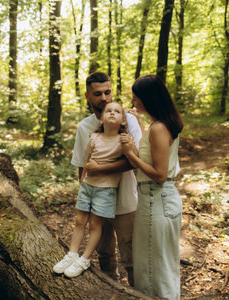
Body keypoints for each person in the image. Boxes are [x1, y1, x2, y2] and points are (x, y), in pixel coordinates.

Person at [69, 72, 142, 284]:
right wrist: (85, 197)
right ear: (87, 96)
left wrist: (101, 168)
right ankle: (111, 292)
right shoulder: (85, 127)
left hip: (126, 201)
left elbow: (137, 159)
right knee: (105, 255)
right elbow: (82, 165)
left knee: (132, 257)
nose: (104, 98)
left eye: (108, 92)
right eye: (98, 93)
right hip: (97, 201)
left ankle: (138, 295)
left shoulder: (129, 120)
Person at [120, 74, 183, 299]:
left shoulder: (159, 128)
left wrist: (130, 155)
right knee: (162, 264)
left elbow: (158, 174)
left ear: (149, 98)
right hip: (160, 199)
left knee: (153, 267)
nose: (133, 102)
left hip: (156, 198)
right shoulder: (162, 124)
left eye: (136, 98)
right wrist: (137, 124)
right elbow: (150, 154)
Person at [53, 102, 131, 278]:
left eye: (117, 111)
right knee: (80, 221)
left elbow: (131, 160)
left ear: (123, 120)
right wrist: (82, 182)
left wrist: (132, 136)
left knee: (96, 225)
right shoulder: (94, 137)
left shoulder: (123, 140)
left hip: (106, 189)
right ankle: (72, 254)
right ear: (102, 118)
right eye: (108, 111)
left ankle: (85, 258)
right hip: (88, 186)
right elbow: (87, 160)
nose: (112, 113)